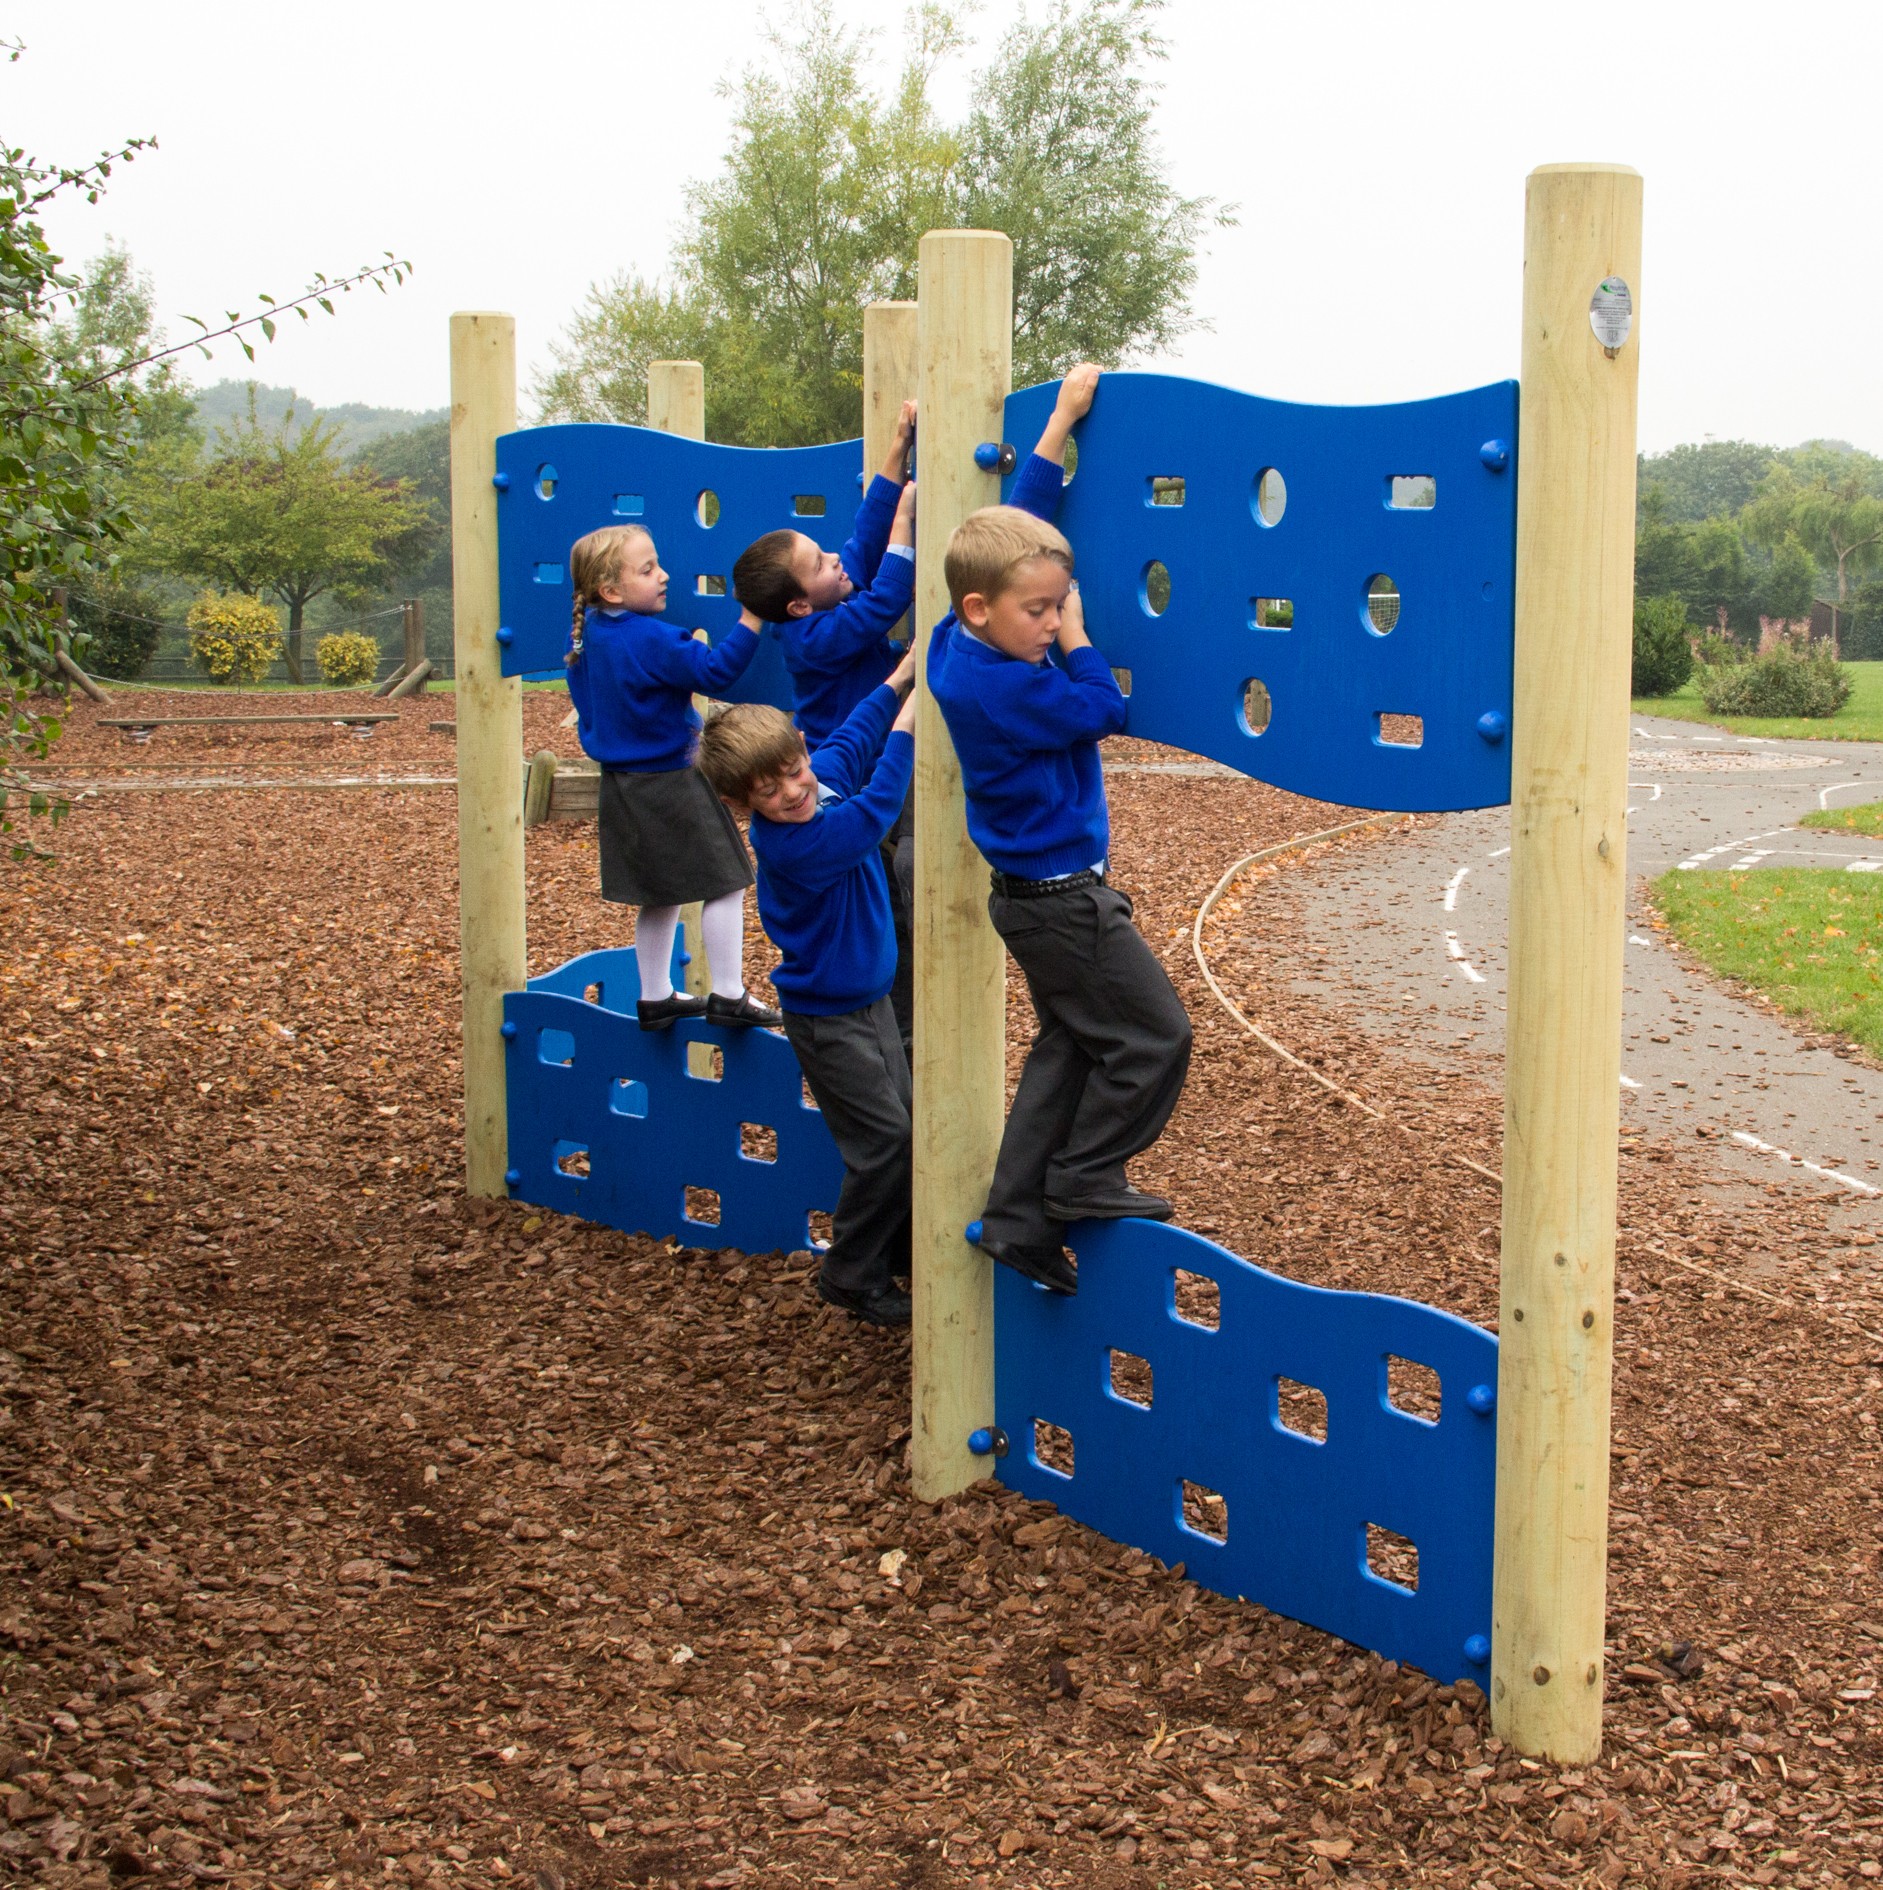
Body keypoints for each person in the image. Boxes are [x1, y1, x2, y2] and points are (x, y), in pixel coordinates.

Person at [925, 366, 1193, 1296]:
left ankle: (1015, 1222)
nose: (1047, 621)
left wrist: (1059, 426)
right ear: (982, 610)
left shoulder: (953, 639)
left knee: (1072, 1048)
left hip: (1036, 899)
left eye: (1051, 606)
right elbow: (1100, 711)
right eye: (1035, 611)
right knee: (1155, 1038)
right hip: (1062, 901)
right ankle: (1083, 1176)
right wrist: (1078, 634)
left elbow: (1014, 532)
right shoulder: (1008, 682)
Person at [697, 652, 919, 1329]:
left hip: (868, 1001)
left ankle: (896, 1249)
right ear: (742, 807)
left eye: (793, 770)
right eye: (769, 791)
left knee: (907, 1130)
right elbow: (878, 807)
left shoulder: (815, 785)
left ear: (800, 752)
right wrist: (914, 720)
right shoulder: (797, 845)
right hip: (828, 1019)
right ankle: (849, 1273)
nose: (792, 791)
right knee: (883, 1142)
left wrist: (902, 674)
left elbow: (851, 739)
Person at [732, 405, 920, 1045]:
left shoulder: (820, 600)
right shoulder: (813, 637)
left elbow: (863, 545)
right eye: (819, 562)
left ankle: (892, 997)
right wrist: (907, 522)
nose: (835, 558)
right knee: (888, 871)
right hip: (852, 771)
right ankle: (894, 1015)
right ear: (799, 603)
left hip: (861, 752)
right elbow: (886, 597)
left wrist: (896, 452)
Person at [565, 522, 781, 1032]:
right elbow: (716, 671)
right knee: (728, 882)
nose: (664, 576)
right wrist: (751, 616)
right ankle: (729, 993)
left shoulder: (587, 635)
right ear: (611, 589)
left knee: (658, 894)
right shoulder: (651, 638)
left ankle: (655, 995)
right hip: (673, 779)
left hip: (621, 786)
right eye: (648, 570)